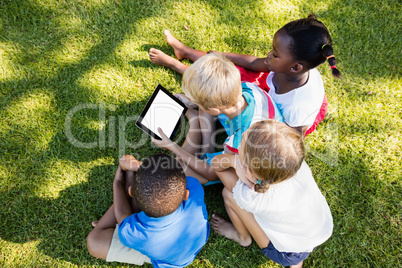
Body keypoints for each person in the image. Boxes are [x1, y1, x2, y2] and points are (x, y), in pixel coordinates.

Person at [149, 14, 341, 137]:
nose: (269, 55)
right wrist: (219, 56)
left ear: (295, 67)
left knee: (222, 84)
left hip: (276, 121)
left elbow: (288, 139)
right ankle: (186, 52)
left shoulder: (299, 106)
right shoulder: (286, 67)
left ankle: (175, 64)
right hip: (266, 96)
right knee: (222, 68)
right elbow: (253, 62)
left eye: (274, 54)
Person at [209, 120, 333, 267]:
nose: (243, 133)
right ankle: (296, 259)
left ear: (248, 169)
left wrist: (234, 161)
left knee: (229, 195)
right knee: (295, 243)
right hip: (319, 229)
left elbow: (216, 165)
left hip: (286, 252)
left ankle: (242, 237)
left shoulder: (251, 196)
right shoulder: (292, 162)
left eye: (242, 142)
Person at [152, 52, 283, 185]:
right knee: (212, 99)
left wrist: (172, 146)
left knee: (178, 167)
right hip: (259, 123)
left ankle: (198, 133)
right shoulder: (248, 87)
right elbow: (214, 102)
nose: (197, 106)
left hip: (253, 160)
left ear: (215, 111)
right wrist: (196, 102)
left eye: (198, 105)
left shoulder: (239, 141)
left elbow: (212, 174)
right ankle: (207, 148)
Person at [87, 154, 210, 267]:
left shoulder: (135, 233)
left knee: (94, 242)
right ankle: (132, 183)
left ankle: (129, 185)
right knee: (134, 213)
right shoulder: (195, 188)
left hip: (162, 255)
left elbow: (122, 214)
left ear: (132, 193)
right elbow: (174, 179)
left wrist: (118, 184)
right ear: (186, 194)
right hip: (183, 249)